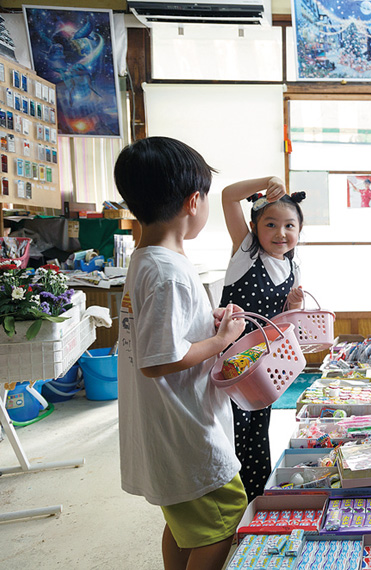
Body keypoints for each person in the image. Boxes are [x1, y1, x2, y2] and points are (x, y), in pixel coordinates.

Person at [114, 136, 248, 570]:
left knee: (186, 523)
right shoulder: (167, 271)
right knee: (223, 517)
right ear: (195, 201)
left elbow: (165, 330)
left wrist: (205, 320)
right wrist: (221, 340)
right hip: (184, 427)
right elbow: (159, 360)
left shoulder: (148, 258)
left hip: (168, 423)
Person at [221, 176, 306, 499]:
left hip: (265, 365)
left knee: (259, 430)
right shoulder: (246, 254)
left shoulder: (293, 267)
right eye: (270, 224)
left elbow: (281, 321)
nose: (280, 233)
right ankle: (228, 501)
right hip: (231, 362)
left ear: (299, 231)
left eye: (289, 226)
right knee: (232, 432)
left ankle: (254, 499)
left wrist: (293, 306)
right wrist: (268, 180)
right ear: (255, 228)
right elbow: (229, 197)